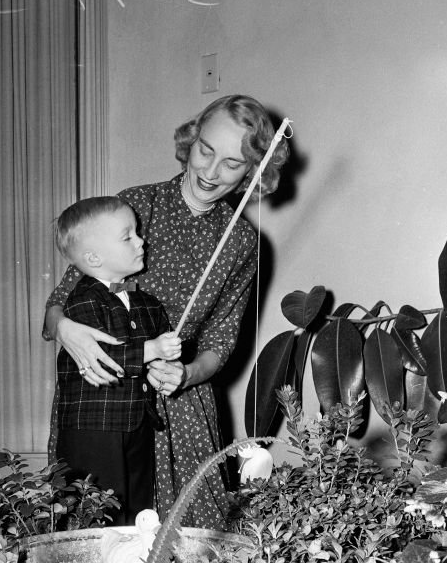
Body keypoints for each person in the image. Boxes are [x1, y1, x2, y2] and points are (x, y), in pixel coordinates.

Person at [44, 94, 290, 527]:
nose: (211, 172)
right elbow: (60, 301)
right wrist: (65, 330)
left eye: (232, 164)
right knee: (98, 534)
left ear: (254, 170)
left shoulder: (241, 244)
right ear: (190, 141)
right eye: (205, 150)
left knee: (191, 542)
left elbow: (219, 342)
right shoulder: (136, 204)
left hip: (181, 402)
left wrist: (187, 373)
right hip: (108, 396)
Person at [54, 196, 182, 524]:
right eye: (128, 237)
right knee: (94, 509)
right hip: (92, 429)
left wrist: (162, 366)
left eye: (137, 232)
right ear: (93, 257)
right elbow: (106, 356)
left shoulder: (148, 303)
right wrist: (152, 350)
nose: (142, 241)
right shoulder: (82, 301)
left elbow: (158, 353)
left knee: (137, 505)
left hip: (136, 422)